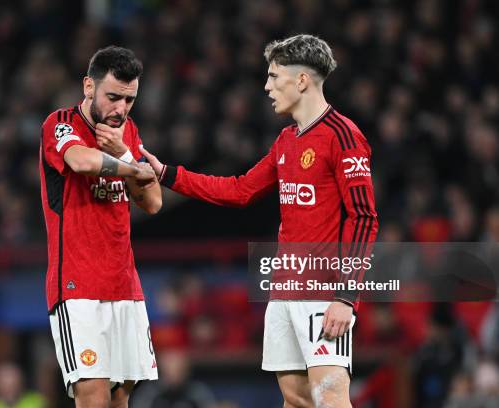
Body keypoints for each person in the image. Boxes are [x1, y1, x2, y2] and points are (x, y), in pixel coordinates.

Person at [141, 34, 378, 407]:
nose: (266, 87)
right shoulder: (286, 141)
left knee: (331, 398)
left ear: (301, 80)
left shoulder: (344, 136)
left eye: (273, 76)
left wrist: (346, 297)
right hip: (283, 289)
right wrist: (168, 174)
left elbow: (364, 219)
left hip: (323, 290)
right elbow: (239, 190)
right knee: (296, 399)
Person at [39, 46, 161, 408]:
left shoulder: (127, 132)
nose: (120, 109)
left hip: (125, 285)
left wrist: (126, 154)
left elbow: (153, 202)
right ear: (89, 86)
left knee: (120, 399)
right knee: (93, 398)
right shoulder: (59, 124)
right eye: (113, 97)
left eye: (129, 100)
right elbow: (80, 160)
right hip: (77, 287)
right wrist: (133, 166)